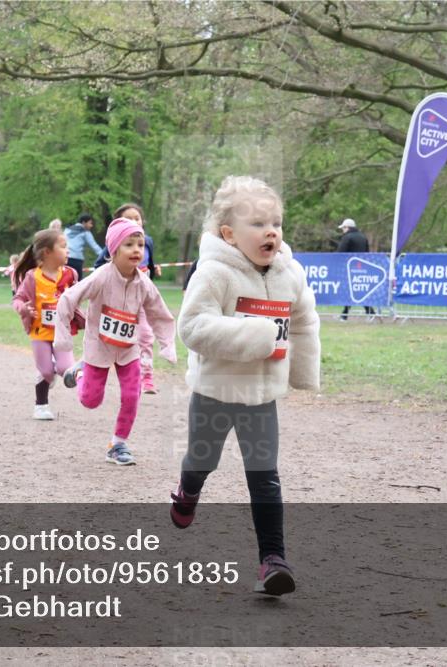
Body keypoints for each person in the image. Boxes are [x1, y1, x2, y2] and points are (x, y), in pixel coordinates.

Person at [172, 175, 320, 597]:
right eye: (257, 224)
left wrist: (302, 373)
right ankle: (188, 490)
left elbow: (304, 321)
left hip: (260, 397)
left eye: (275, 223)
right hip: (214, 393)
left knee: (264, 476)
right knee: (202, 461)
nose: (270, 231)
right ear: (229, 234)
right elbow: (192, 327)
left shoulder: (290, 273)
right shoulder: (213, 272)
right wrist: (252, 335)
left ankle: (273, 560)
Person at [56, 218, 176, 465]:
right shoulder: (101, 276)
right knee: (91, 400)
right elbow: (67, 299)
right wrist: (63, 337)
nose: (136, 250)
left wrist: (167, 345)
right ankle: (79, 373)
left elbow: (160, 313)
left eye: (140, 245)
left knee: (132, 395)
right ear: (113, 250)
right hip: (98, 346)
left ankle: (118, 444)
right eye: (129, 244)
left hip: (128, 349)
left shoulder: (144, 283)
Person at [93, 202, 162, 393]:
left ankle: (147, 377)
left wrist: (153, 270)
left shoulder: (148, 241)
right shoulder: (114, 242)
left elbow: (149, 263)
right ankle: (92, 366)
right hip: (119, 300)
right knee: (112, 339)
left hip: (142, 298)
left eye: (137, 218)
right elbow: (98, 266)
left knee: (146, 335)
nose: (134, 221)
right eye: (128, 218)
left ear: (142, 221)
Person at [12, 229, 80, 420]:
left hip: (62, 333)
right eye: (63, 246)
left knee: (66, 369)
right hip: (40, 333)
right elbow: (17, 299)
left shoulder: (70, 274)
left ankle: (61, 371)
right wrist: (23, 309)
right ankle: (41, 406)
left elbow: (81, 294)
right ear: (47, 252)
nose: (68, 250)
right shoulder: (33, 277)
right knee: (45, 371)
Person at [335, 218, 373, 319]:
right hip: (361, 267)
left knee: (350, 290)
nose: (343, 230)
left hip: (349, 267)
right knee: (358, 290)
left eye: (343, 228)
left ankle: (345, 314)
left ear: (347, 227)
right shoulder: (363, 237)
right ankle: (369, 311)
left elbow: (340, 252)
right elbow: (367, 252)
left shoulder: (347, 237)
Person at [64, 213, 102, 279]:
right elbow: (94, 246)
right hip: (77, 260)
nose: (91, 225)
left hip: (65, 258)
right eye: (90, 223)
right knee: (77, 281)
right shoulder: (85, 232)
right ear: (84, 222)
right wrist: (104, 256)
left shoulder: (67, 230)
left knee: (66, 280)